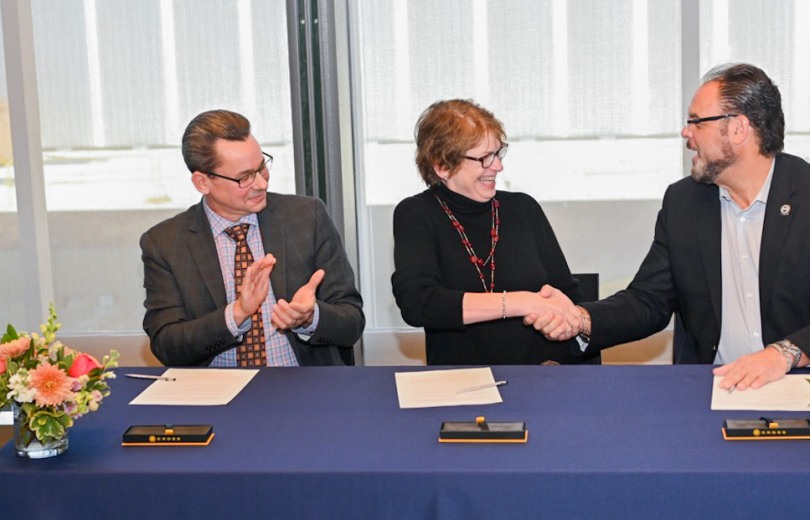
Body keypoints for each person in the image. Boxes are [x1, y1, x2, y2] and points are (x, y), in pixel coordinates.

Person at [531, 63, 810, 390]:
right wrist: (581, 318)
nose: (686, 133)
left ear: (739, 128)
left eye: (697, 122)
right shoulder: (684, 202)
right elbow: (648, 301)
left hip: (801, 385)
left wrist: (782, 354)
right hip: (709, 388)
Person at [141, 109, 364, 367]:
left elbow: (352, 322)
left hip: (301, 386)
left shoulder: (306, 217)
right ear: (203, 182)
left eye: (262, 168)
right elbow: (167, 345)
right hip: (216, 395)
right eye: (245, 177)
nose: (261, 183)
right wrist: (237, 314)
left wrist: (310, 317)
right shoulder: (165, 243)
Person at [391, 99, 583, 365]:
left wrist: (561, 346)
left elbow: (566, 295)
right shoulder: (417, 213)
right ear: (442, 166)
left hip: (540, 378)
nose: (497, 166)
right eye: (484, 158)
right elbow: (419, 303)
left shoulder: (523, 208)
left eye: (498, 153)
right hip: (462, 385)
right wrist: (521, 302)